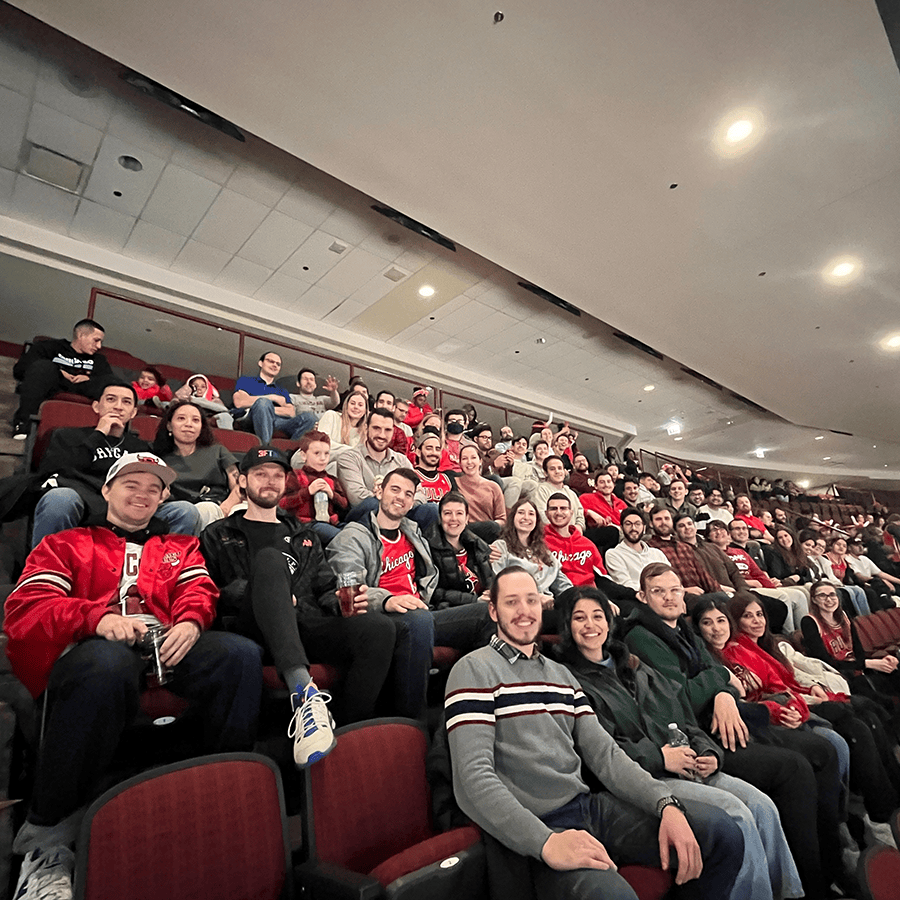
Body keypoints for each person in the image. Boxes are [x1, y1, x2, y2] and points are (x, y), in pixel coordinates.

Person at [4, 452, 263, 899]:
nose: (142, 494)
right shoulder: (66, 543)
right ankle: (46, 845)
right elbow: (25, 609)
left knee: (240, 654)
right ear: (106, 491)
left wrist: (191, 621)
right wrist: (95, 618)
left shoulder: (178, 547)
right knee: (108, 663)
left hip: (164, 644)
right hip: (93, 650)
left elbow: (199, 590)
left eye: (153, 488)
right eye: (131, 484)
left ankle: (219, 795)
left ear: (164, 498)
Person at [444, 566, 744, 900]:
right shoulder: (472, 669)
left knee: (721, 833)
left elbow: (605, 755)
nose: (524, 611)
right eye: (511, 602)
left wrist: (665, 803)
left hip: (588, 807)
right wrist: (546, 842)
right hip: (538, 824)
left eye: (531, 600)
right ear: (493, 610)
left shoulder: (560, 674)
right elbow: (473, 779)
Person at [555, 586, 801, 900]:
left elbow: (684, 718)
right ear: (567, 626)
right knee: (736, 813)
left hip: (688, 763)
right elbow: (600, 753)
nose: (590, 625)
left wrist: (709, 751)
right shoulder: (572, 680)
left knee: (762, 805)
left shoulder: (635, 666)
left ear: (608, 622)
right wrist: (659, 757)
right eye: (580, 618)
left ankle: (789, 894)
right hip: (648, 775)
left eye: (597, 616)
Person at [621, 563, 848, 899]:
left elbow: (717, 676)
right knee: (795, 767)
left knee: (824, 750)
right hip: (700, 735)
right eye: (658, 591)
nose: (669, 597)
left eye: (674, 590)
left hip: (722, 720)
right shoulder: (641, 635)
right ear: (642, 596)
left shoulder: (684, 632)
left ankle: (832, 864)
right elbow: (683, 696)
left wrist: (724, 694)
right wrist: (723, 686)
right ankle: (810, 884)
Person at [200, 446, 396, 765]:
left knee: (378, 628)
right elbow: (208, 591)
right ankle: (304, 694)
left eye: (278, 475)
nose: (270, 481)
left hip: (303, 622)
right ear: (243, 482)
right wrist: (268, 592)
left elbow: (323, 587)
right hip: (249, 626)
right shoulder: (218, 534)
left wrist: (341, 598)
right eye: (260, 474)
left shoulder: (303, 535)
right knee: (270, 561)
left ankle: (346, 734)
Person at [711, 595, 900, 846]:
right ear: (736, 621)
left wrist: (812, 692)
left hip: (798, 701)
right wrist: (809, 698)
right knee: (852, 731)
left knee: (868, 715)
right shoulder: (737, 650)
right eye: (747, 616)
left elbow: (790, 681)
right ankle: (871, 817)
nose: (756, 621)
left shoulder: (769, 644)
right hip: (783, 712)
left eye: (759, 614)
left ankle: (885, 804)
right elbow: (768, 693)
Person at [328, 468, 493, 720]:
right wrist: (387, 600)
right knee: (419, 619)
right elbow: (349, 589)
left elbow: (449, 544)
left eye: (408, 493)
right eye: (395, 490)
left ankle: (458, 701)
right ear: (380, 492)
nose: (401, 497)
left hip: (423, 612)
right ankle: (411, 720)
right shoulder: (353, 536)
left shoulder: (412, 532)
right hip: (386, 617)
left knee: (488, 614)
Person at [30, 382, 200, 547]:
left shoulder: (140, 447)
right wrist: (99, 434)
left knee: (185, 510)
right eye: (111, 399)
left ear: (133, 412)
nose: (118, 407)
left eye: (126, 402)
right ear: (97, 406)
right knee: (59, 499)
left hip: (129, 505)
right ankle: (43, 571)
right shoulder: (67, 436)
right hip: (84, 501)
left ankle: (166, 570)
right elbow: (53, 473)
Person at [801, 580, 900, 705]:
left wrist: (883, 660)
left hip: (857, 666)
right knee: (883, 698)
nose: (829, 599)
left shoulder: (844, 616)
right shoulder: (809, 622)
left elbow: (858, 649)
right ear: (814, 600)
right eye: (822, 596)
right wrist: (867, 664)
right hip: (839, 673)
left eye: (832, 594)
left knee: (895, 669)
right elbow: (825, 661)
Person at [12, 319, 112, 439]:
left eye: (101, 342)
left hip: (84, 388)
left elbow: (110, 381)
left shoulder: (99, 360)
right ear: (81, 335)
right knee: (43, 367)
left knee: (113, 384)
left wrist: (89, 378)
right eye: (96, 340)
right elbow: (20, 370)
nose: (99, 346)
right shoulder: (50, 347)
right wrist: (57, 370)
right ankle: (23, 423)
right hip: (53, 384)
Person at [338, 407, 436, 530]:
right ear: (366, 428)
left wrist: (400, 505)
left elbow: (420, 494)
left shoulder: (401, 460)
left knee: (431, 510)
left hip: (402, 513)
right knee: (371, 503)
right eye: (376, 428)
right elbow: (357, 497)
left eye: (388, 430)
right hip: (366, 519)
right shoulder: (349, 457)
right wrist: (396, 502)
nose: (382, 435)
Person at [151, 400, 241, 529]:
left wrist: (226, 507)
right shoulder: (158, 457)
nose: (189, 424)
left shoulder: (217, 451)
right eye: (181, 418)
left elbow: (238, 485)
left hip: (217, 505)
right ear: (169, 426)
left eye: (195, 420)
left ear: (201, 427)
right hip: (180, 513)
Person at [707, 520, 808, 633]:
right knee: (782, 596)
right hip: (743, 588)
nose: (719, 533)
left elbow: (758, 573)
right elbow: (724, 578)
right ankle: (789, 634)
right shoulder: (710, 555)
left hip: (758, 586)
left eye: (722, 530)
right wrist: (749, 583)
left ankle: (803, 633)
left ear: (728, 534)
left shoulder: (740, 552)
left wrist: (770, 586)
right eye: (714, 530)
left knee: (799, 595)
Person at [490, 498, 572, 614]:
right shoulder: (500, 547)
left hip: (549, 606)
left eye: (531, 514)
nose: (526, 517)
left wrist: (581, 598)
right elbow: (501, 584)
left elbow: (564, 586)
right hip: (518, 606)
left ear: (537, 520)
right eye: (521, 512)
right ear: (513, 517)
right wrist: (536, 597)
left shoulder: (545, 552)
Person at [646, 507, 728, 609]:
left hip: (702, 593)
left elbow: (703, 574)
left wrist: (719, 590)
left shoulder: (684, 546)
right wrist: (684, 589)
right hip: (676, 597)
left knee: (726, 599)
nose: (663, 522)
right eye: (658, 519)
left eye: (667, 519)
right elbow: (657, 580)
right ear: (651, 523)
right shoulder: (649, 548)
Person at [424, 491, 493, 607]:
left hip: (482, 604)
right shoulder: (427, 547)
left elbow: (490, 577)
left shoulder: (477, 545)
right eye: (447, 513)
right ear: (440, 518)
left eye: (459, 513)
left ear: (467, 519)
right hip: (450, 609)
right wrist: (474, 601)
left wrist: (493, 592)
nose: (453, 518)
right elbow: (433, 592)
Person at [232, 350, 317, 444]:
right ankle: (266, 450)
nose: (275, 365)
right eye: (270, 361)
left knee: (310, 417)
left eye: (278, 364)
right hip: (250, 419)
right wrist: (272, 398)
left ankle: (291, 450)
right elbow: (239, 402)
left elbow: (291, 412)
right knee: (263, 403)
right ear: (261, 363)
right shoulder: (246, 381)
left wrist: (268, 409)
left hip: (278, 421)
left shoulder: (281, 390)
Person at [280, 430, 349, 543]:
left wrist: (331, 494)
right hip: (306, 525)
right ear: (303, 455)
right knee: (341, 538)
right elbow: (283, 503)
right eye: (317, 453)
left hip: (333, 523)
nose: (323, 458)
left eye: (326, 453)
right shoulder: (295, 476)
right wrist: (308, 492)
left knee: (357, 533)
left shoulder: (331, 479)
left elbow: (344, 505)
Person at [544, 493, 608, 588]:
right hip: (561, 594)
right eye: (553, 509)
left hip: (590, 594)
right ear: (546, 514)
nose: (558, 512)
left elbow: (602, 577)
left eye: (563, 508)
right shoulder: (540, 543)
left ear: (571, 512)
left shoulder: (587, 544)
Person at [299, 388, 367, 470]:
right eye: (352, 403)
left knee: (339, 466)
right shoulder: (331, 415)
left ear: (365, 410)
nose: (356, 407)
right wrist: (352, 451)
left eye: (360, 405)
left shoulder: (364, 432)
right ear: (346, 405)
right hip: (308, 459)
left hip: (332, 466)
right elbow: (321, 444)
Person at [605, 508, 669, 593]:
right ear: (621, 528)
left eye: (637, 524)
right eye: (628, 524)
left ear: (644, 528)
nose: (633, 528)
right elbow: (626, 585)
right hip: (638, 600)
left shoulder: (657, 553)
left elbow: (671, 577)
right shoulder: (613, 554)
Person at [455, 444, 506, 542]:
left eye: (473, 457)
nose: (469, 462)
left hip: (489, 534)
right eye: (465, 458)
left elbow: (502, 520)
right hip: (464, 533)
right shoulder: (453, 483)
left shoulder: (493, 487)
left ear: (480, 461)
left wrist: (489, 527)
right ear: (460, 463)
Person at [532, 455, 585, 530]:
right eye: (552, 469)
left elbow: (580, 513)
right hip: (552, 535)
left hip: (574, 535)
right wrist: (561, 531)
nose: (557, 472)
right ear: (545, 473)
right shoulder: (540, 491)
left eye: (560, 468)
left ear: (564, 471)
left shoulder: (571, 493)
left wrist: (579, 527)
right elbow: (542, 516)